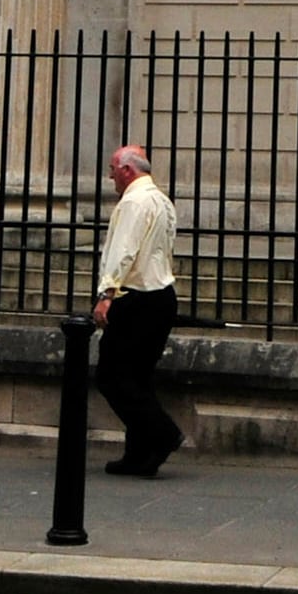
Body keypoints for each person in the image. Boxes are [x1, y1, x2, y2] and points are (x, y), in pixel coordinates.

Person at [92, 142, 184, 478]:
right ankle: (138, 453)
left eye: (113, 169)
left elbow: (123, 251)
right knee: (139, 378)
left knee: (112, 376)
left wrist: (106, 294)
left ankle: (163, 434)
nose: (111, 176)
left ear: (128, 170)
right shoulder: (161, 199)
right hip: (161, 296)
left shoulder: (133, 202)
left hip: (137, 297)